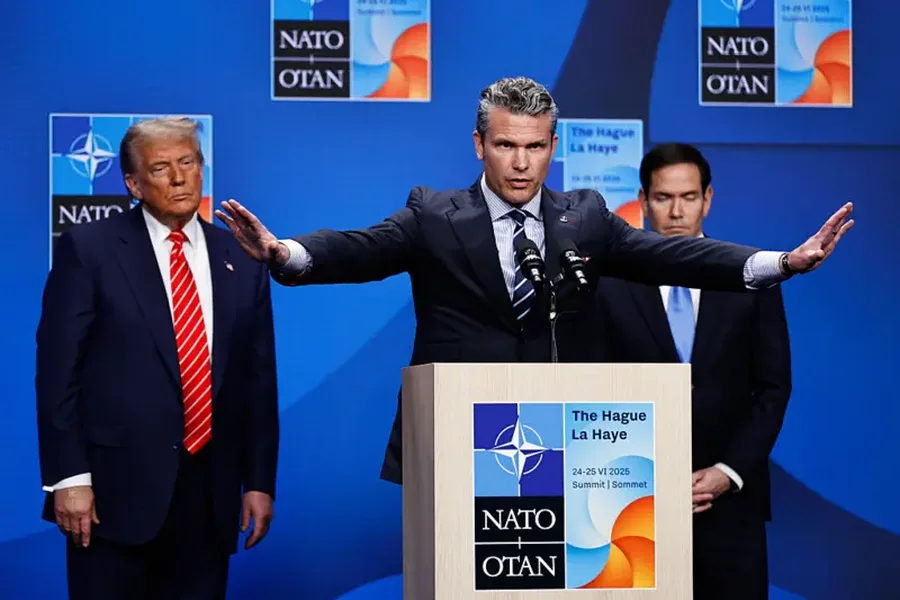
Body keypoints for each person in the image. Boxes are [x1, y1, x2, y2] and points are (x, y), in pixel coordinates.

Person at [215, 76, 851, 486]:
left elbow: (674, 258)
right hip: (459, 444)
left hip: (565, 448)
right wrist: (285, 252)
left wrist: (779, 262)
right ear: (479, 145)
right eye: (505, 146)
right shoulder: (435, 214)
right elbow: (362, 249)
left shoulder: (586, 217)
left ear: (553, 145)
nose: (521, 164)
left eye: (536, 147)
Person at [36, 117, 279, 600]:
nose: (179, 178)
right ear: (133, 183)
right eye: (161, 168)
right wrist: (69, 477)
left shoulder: (240, 256)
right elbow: (58, 372)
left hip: (208, 497)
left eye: (188, 162)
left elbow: (258, 379)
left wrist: (258, 481)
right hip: (111, 498)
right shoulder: (90, 249)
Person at [593, 142, 791, 599]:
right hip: (633, 506)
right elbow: (594, 390)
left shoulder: (752, 276)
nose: (677, 211)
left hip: (731, 506)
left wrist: (728, 471)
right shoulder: (608, 284)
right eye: (663, 198)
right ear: (643, 202)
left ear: (708, 199)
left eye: (688, 197)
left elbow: (773, 388)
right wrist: (642, 478)